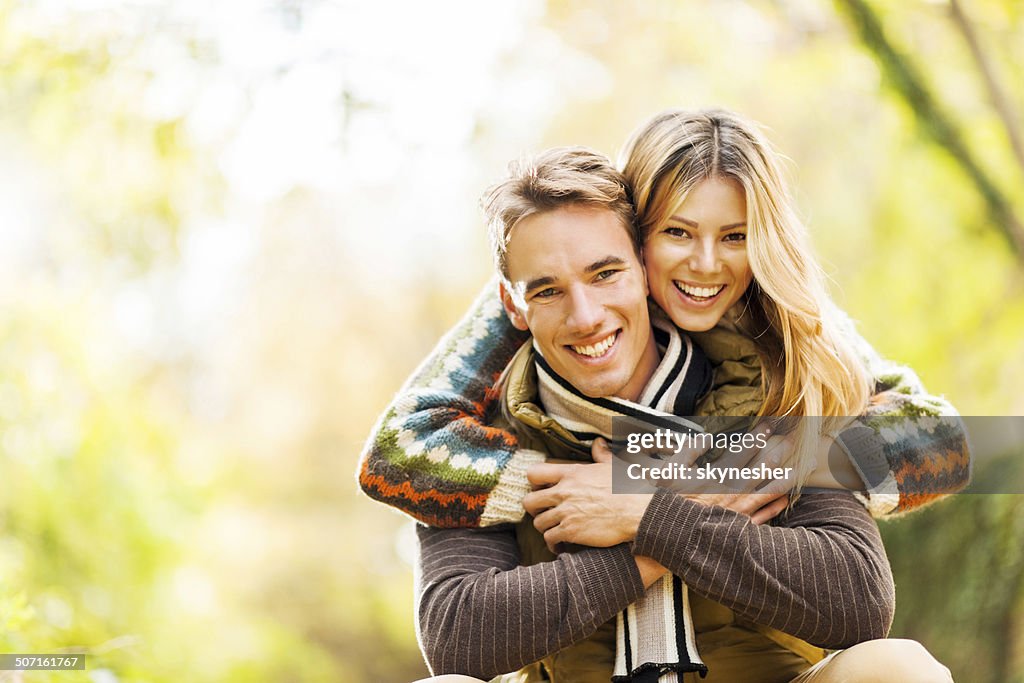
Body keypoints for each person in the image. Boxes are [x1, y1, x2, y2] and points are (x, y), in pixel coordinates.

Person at [361, 140, 960, 681]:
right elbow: (457, 640)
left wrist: (652, 507)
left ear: (641, 272)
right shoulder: (471, 441)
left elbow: (857, 600)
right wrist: (649, 541)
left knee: (898, 670)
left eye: (605, 273)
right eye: (546, 290)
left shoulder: (784, 389)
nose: (586, 315)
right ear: (512, 306)